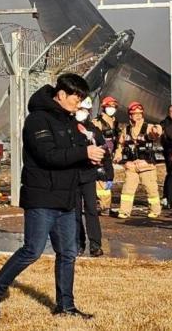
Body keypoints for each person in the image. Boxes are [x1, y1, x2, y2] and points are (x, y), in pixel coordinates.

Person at [0, 73, 103, 320]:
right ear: (61, 94)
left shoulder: (69, 121)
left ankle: (65, 306)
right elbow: (49, 155)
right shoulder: (37, 120)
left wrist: (91, 158)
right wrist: (82, 152)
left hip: (67, 197)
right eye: (76, 98)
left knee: (68, 253)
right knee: (32, 250)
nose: (78, 104)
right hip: (42, 197)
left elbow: (73, 155)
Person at [113, 101, 162, 219]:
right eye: (135, 114)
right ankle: (124, 211)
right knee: (127, 190)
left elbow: (157, 131)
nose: (138, 116)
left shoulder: (149, 127)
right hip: (132, 166)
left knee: (151, 190)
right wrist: (118, 156)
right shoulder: (126, 129)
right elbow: (121, 145)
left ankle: (155, 210)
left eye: (140, 113)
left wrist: (157, 130)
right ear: (130, 115)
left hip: (147, 165)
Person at [75, 96, 104, 257]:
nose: (81, 113)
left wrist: (106, 170)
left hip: (88, 174)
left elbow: (103, 149)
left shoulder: (94, 130)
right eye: (79, 110)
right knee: (75, 211)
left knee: (91, 209)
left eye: (84, 111)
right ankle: (78, 243)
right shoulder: (70, 128)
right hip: (73, 174)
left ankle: (95, 244)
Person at [91, 96, 119, 215]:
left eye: (113, 107)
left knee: (107, 177)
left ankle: (104, 205)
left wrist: (117, 153)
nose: (111, 109)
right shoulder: (96, 122)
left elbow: (117, 140)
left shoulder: (115, 122)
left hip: (109, 154)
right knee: (101, 178)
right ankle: (103, 206)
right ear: (104, 108)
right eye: (109, 107)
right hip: (100, 153)